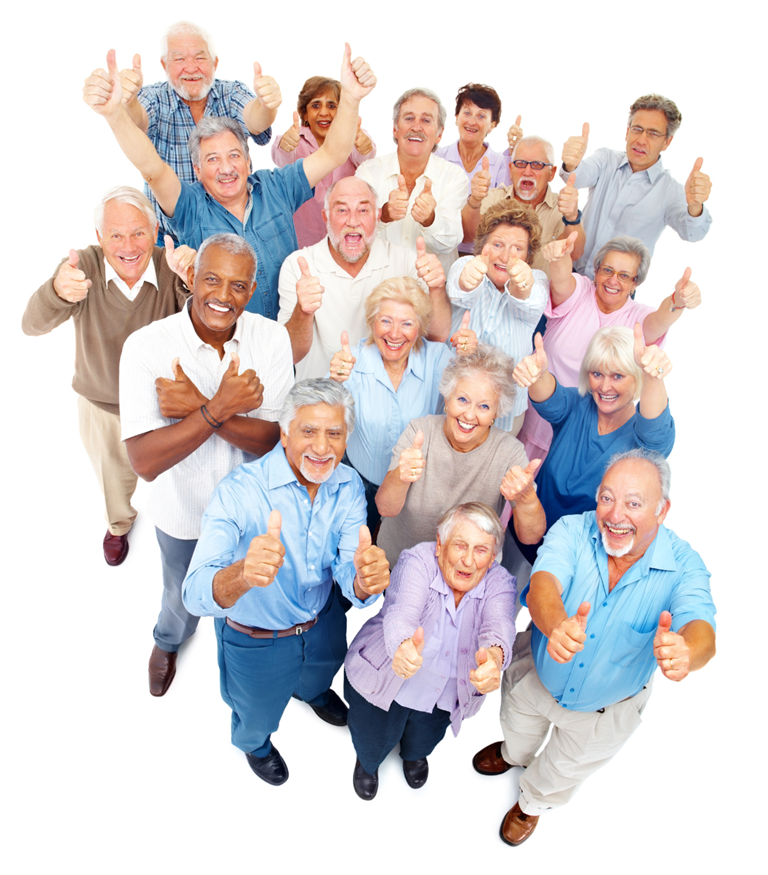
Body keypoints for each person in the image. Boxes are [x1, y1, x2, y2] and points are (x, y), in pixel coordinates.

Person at [472, 449, 716, 846]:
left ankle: (531, 803)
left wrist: (687, 650)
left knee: (561, 771)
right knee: (516, 732)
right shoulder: (572, 529)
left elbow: (703, 628)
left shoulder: (685, 565)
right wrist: (555, 627)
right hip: (536, 676)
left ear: (662, 509)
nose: (615, 515)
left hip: (604, 713)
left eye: (634, 503)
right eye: (607, 498)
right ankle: (514, 755)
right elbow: (544, 584)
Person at [182, 379, 390, 785]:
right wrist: (242, 573)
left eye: (334, 433)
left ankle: (309, 692)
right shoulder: (240, 492)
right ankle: (255, 746)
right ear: (284, 432)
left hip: (323, 622)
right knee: (255, 713)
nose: (322, 447)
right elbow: (193, 593)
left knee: (319, 675)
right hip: (256, 639)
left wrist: (365, 582)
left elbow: (350, 577)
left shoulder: (347, 486)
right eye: (308, 431)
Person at [119, 234, 293, 697]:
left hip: (251, 510)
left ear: (252, 292)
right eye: (211, 279)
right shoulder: (145, 346)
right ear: (191, 277)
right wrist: (221, 409)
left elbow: (276, 440)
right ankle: (169, 640)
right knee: (180, 594)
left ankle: (241, 653)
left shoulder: (271, 338)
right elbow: (146, 460)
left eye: (237, 286)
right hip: (182, 509)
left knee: (249, 586)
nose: (222, 296)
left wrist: (199, 407)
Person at [84, 44, 376, 320]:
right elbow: (152, 169)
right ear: (197, 170)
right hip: (226, 353)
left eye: (234, 155)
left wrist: (350, 98)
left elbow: (334, 152)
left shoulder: (278, 187)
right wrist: (114, 114)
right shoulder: (189, 205)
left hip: (291, 343)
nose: (226, 168)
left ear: (249, 161)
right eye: (212, 159)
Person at [22, 186, 191, 566]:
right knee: (113, 478)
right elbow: (30, 326)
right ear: (100, 238)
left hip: (165, 404)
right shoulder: (81, 267)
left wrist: (193, 282)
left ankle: (182, 528)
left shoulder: (172, 265)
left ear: (153, 232)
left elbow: (201, 330)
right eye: (115, 235)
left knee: (180, 477)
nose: (128, 246)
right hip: (102, 404)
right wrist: (56, 292)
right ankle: (118, 525)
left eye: (138, 233)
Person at [344, 502, 516, 800]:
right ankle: (369, 764)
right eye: (460, 545)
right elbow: (402, 611)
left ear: (491, 559)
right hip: (385, 679)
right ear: (440, 545)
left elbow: (499, 624)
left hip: (443, 693)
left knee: (424, 739)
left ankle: (413, 755)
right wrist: (402, 646)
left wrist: (494, 658)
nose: (468, 560)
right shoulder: (417, 560)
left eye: (480, 550)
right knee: (372, 738)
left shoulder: (499, 581)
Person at [83, 22, 280, 239]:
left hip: (233, 233)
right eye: (179, 59)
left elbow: (255, 120)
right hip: (170, 237)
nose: (191, 67)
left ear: (214, 63)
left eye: (199, 57)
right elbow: (138, 120)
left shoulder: (231, 93)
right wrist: (126, 104)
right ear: (164, 65)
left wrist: (266, 105)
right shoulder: (155, 98)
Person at [517, 233, 700, 462]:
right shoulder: (580, 291)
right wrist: (559, 256)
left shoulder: (638, 319)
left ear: (636, 282)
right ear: (596, 270)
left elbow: (660, 319)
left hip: (578, 439)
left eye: (624, 275)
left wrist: (677, 301)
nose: (614, 280)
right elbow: (563, 279)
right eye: (608, 270)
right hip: (532, 417)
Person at [511, 325, 674, 563]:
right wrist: (537, 374)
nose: (604, 387)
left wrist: (653, 375)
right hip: (526, 537)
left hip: (580, 562)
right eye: (597, 374)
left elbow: (655, 426)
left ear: (636, 377)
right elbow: (548, 396)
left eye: (618, 376)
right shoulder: (578, 405)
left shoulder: (643, 442)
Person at [376, 345, 546, 567]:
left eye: (484, 406)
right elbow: (386, 508)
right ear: (447, 400)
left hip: (465, 577)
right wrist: (401, 476)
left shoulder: (509, 452)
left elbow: (530, 537)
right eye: (462, 400)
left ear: (496, 413)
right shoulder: (420, 431)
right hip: (401, 564)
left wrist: (526, 499)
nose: (469, 414)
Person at [329, 276, 477, 531]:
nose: (395, 334)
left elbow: (474, 392)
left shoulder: (439, 359)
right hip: (359, 485)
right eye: (386, 321)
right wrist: (334, 383)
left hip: (416, 489)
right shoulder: (349, 362)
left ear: (419, 327)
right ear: (372, 323)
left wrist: (470, 357)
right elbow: (323, 416)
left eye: (406, 323)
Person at [277, 177, 451, 378]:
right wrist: (303, 311)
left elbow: (437, 336)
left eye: (363, 210)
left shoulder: (405, 260)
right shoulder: (298, 265)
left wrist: (437, 288)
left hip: (384, 397)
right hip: (320, 400)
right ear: (326, 218)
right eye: (342, 210)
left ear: (377, 217)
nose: (352, 221)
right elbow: (290, 354)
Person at [561, 94, 712, 278]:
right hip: (571, 277)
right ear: (627, 132)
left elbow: (693, 233)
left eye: (653, 133)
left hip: (616, 292)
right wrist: (571, 163)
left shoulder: (670, 191)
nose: (641, 140)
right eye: (637, 129)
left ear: (667, 142)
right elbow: (577, 177)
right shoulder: (606, 159)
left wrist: (695, 206)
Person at [447, 201, 548, 434]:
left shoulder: (538, 280)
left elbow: (526, 296)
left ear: (528, 256)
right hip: (456, 400)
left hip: (507, 409)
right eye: (498, 244)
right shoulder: (465, 264)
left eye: (517, 249)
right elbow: (461, 287)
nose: (505, 256)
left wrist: (520, 283)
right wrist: (469, 278)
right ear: (483, 246)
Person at [356, 88, 467, 273]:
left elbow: (450, 242)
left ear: (439, 133)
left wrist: (430, 220)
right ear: (395, 128)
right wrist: (383, 215)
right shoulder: (367, 172)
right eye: (409, 118)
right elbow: (354, 232)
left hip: (431, 290)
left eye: (426, 120)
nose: (416, 127)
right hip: (380, 288)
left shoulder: (455, 177)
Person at [272, 75, 377, 247]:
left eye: (331, 105)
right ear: (304, 113)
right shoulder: (294, 138)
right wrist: (286, 146)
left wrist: (364, 147)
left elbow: (366, 158)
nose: (323, 112)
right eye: (315, 105)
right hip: (303, 242)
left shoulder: (353, 134)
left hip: (347, 238)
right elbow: (283, 159)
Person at [462, 135, 586, 274]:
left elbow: (574, 254)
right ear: (511, 169)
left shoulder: (562, 207)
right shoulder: (492, 197)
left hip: (540, 292)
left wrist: (572, 217)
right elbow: (467, 236)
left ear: (551, 173)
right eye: (520, 163)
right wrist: (475, 200)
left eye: (537, 165)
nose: (527, 172)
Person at [435, 83, 509, 255]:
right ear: (456, 117)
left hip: (482, 254)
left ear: (492, 124)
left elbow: (499, 216)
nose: (472, 121)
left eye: (481, 116)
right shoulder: (438, 157)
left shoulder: (500, 163)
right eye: (467, 113)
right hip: (441, 248)